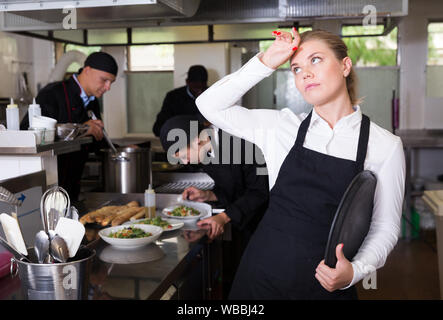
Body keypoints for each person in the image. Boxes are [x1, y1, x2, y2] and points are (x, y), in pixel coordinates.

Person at [196, 28, 406, 300]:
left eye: (316, 60)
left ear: (345, 65)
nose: (305, 73)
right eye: (296, 68)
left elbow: (385, 227)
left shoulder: (384, 145)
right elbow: (209, 105)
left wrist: (354, 272)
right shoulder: (282, 127)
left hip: (327, 285)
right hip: (261, 277)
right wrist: (268, 60)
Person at [159, 114, 269, 297]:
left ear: (197, 140)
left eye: (185, 156)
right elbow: (234, 187)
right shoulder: (206, 152)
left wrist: (224, 217)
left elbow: (259, 192)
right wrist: (208, 195)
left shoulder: (241, 143)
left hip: (266, 222)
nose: (186, 162)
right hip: (245, 220)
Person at [20, 51, 118, 201]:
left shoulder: (92, 102)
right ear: (87, 70)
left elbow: (94, 142)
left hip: (73, 183)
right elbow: (28, 133)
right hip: (48, 184)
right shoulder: (53, 94)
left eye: (111, 82)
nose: (108, 87)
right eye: (104, 80)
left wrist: (118, 148)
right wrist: (84, 129)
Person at [152, 65, 208, 136]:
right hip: (180, 140)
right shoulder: (173, 97)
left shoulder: (212, 96)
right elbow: (158, 128)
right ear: (187, 82)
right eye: (195, 88)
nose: (199, 91)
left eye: (202, 87)